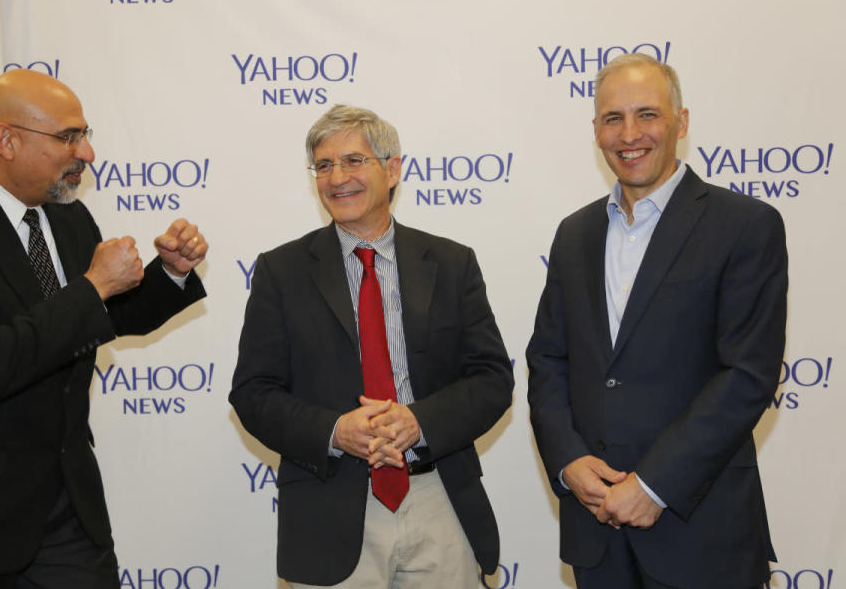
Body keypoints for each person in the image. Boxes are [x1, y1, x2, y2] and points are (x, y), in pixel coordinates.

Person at [0, 69, 208, 588]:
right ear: (6, 140)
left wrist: (167, 273)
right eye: (68, 137)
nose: (87, 153)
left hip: (67, 514)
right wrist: (94, 286)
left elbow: (98, 320)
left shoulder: (68, 218)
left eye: (85, 134)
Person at [526, 53, 788, 589]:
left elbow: (747, 376)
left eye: (647, 114)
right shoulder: (574, 236)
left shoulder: (745, 226)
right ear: (596, 130)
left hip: (700, 530)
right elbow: (548, 359)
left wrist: (654, 485)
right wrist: (568, 460)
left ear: (681, 122)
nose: (630, 134)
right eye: (613, 119)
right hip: (595, 529)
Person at [230, 104, 513, 588]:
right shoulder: (281, 272)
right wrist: (335, 430)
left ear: (393, 168)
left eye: (354, 161)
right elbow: (253, 394)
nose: (337, 177)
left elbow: (491, 379)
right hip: (329, 508)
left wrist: (418, 421)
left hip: (438, 498)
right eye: (323, 165)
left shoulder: (451, 262)